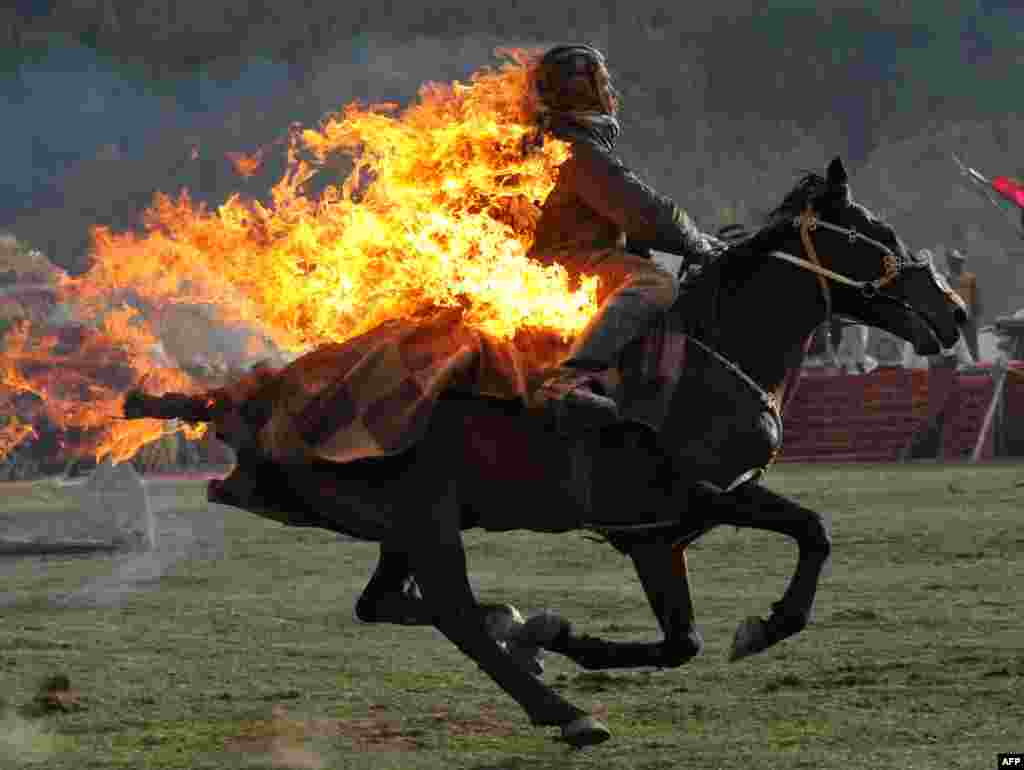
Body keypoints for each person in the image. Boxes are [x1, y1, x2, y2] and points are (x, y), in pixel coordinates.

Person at [526, 44, 721, 434]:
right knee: (653, 280)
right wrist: (700, 244)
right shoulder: (576, 150)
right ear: (584, 91)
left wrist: (701, 241)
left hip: (560, 260)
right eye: (603, 84)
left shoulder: (561, 143)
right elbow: (650, 214)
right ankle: (570, 379)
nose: (612, 95)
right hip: (561, 264)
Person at [944, 247, 982, 362]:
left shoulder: (970, 278)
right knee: (954, 347)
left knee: (972, 345)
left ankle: (976, 366)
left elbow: (975, 298)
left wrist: (976, 315)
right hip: (952, 318)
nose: (957, 264)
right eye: (954, 262)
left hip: (968, 318)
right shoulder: (946, 278)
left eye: (958, 262)